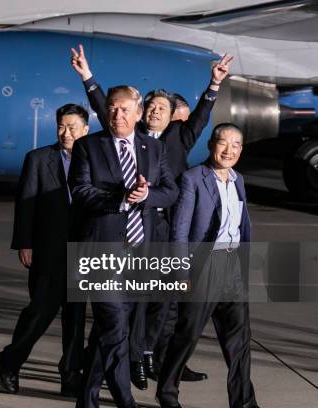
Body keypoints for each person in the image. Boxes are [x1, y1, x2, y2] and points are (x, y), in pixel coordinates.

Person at [71, 45, 233, 388]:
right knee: (118, 308)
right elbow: (108, 109)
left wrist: (213, 86)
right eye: (153, 107)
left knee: (160, 302)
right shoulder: (132, 135)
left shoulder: (178, 138)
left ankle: (149, 358)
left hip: (161, 227)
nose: (157, 112)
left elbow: (202, 117)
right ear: (142, 113)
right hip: (123, 228)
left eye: (164, 108)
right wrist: (88, 78)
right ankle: (120, 364)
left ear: (173, 115)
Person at [68, 85, 178, 408]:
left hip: (138, 253)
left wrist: (146, 196)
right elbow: (81, 192)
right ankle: (125, 402)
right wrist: (119, 199)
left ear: (138, 113)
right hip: (101, 251)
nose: (118, 115)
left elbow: (170, 190)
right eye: (113, 109)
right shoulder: (88, 146)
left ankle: (86, 400)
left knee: (111, 331)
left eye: (125, 110)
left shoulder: (152, 149)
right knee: (115, 328)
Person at [156, 123, 259, 408]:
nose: (229, 150)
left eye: (236, 145)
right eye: (223, 143)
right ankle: (166, 392)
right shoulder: (193, 178)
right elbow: (179, 231)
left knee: (239, 341)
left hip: (232, 266)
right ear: (211, 145)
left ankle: (244, 402)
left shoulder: (238, 179)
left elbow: (239, 226)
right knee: (187, 335)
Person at [0, 104, 90, 397]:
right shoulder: (38, 159)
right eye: (62, 126)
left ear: (86, 129)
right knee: (39, 311)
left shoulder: (96, 160)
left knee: (75, 318)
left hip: (84, 249)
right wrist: (24, 243)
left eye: (73, 127)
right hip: (47, 248)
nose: (66, 132)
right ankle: (10, 361)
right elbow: (26, 203)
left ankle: (71, 375)